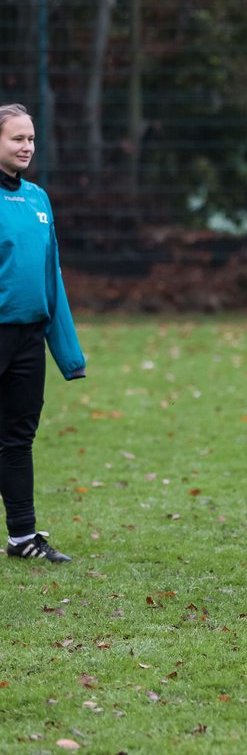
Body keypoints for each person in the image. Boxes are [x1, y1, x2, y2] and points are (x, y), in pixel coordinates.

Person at [0, 103, 87, 563]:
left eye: (31, 138)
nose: (27, 146)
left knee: (17, 438)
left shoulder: (38, 199)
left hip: (29, 340)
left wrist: (68, 354)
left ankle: (22, 538)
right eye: (17, 138)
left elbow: (51, 278)